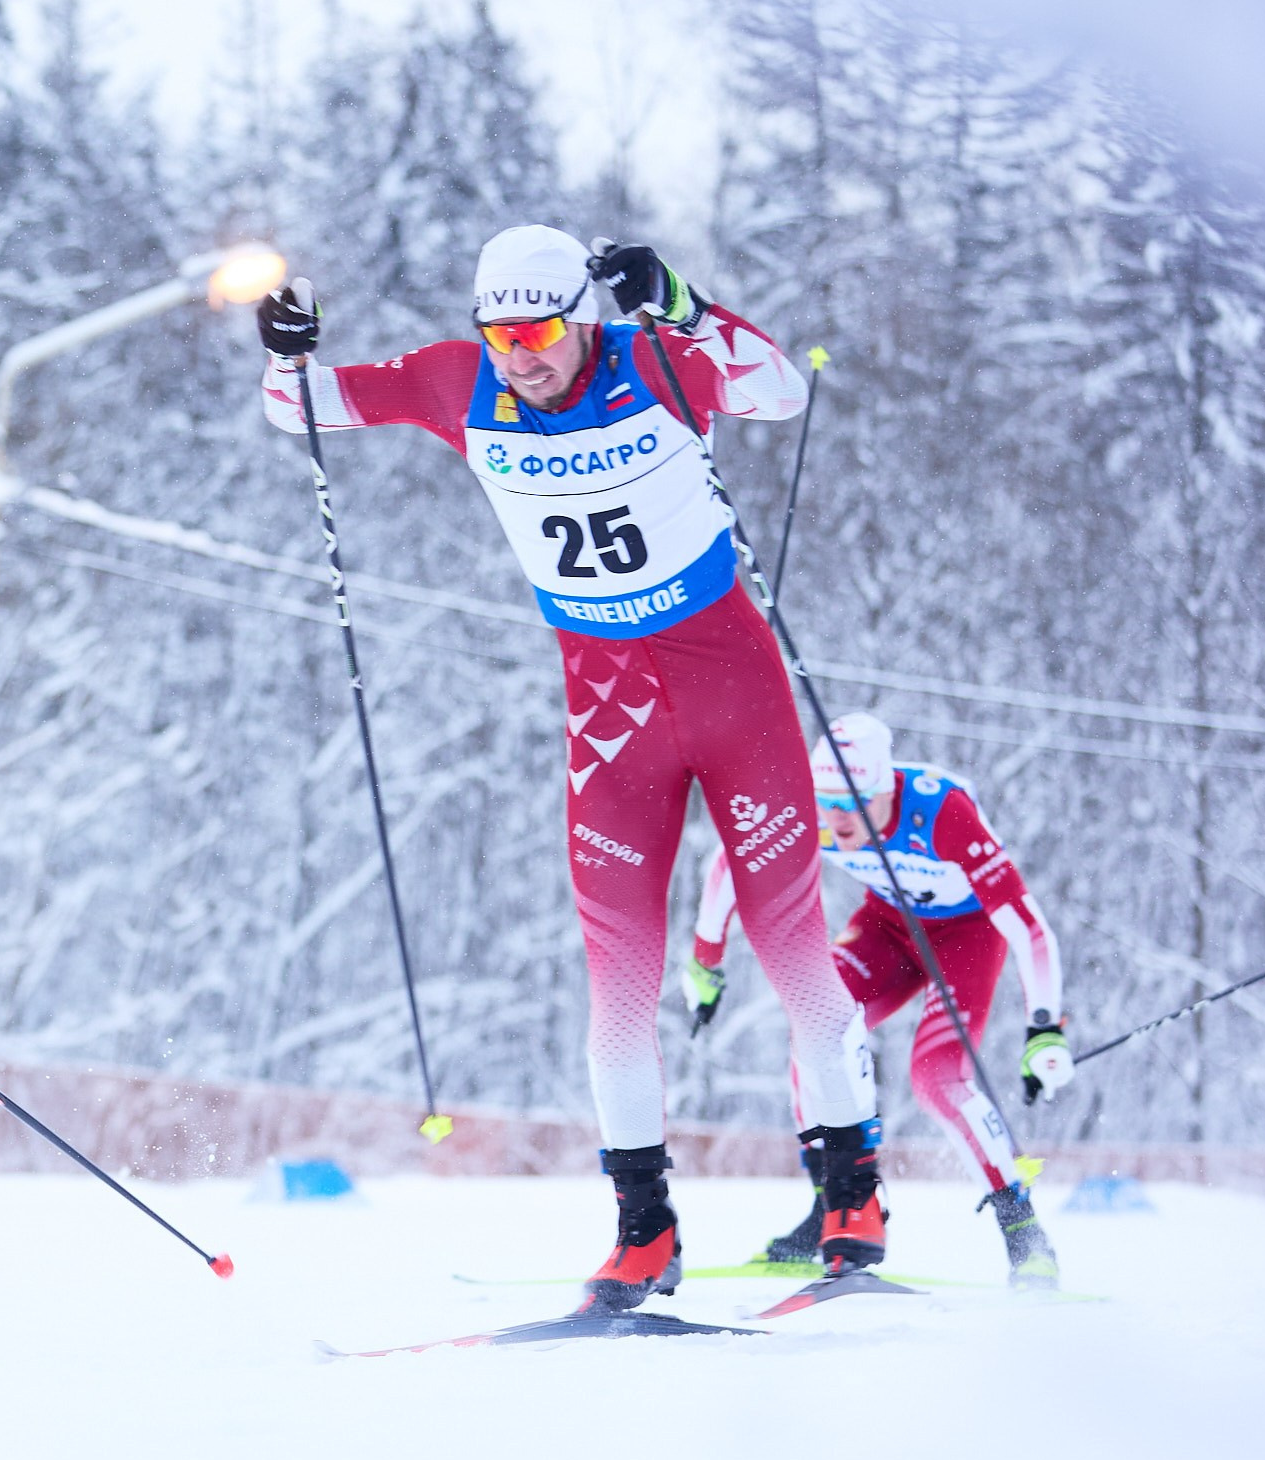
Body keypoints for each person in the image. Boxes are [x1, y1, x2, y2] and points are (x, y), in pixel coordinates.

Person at [256, 227, 884, 1308]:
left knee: (792, 957)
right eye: (498, 334)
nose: (520, 356)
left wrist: (683, 304)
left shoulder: (656, 363)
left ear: (582, 319)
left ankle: (852, 1201)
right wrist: (287, 350)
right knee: (617, 986)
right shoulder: (458, 383)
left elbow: (779, 390)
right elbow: (296, 410)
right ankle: (643, 1230)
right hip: (610, 726)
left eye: (539, 331)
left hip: (737, 702)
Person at [687, 714, 1068, 1286]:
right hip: (888, 928)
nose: (838, 818)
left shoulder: (940, 812)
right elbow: (728, 863)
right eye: (828, 803)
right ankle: (832, 1204)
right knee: (814, 1024)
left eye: (855, 803)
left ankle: (1024, 1232)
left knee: (937, 1078)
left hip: (966, 937)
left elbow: (1029, 927)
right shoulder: (808, 806)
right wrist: (705, 963)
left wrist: (1044, 1028)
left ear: (886, 790)